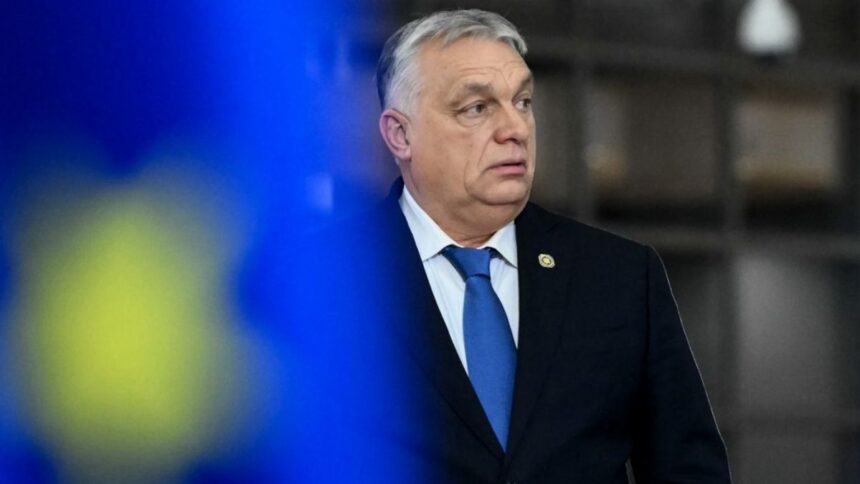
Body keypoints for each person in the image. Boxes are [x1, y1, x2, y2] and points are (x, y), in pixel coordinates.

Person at [287, 8, 731, 483]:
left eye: (522, 101)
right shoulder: (314, 281)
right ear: (400, 134)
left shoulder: (619, 276)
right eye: (477, 108)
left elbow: (690, 471)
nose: (515, 128)